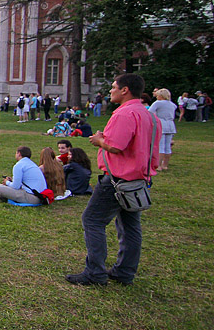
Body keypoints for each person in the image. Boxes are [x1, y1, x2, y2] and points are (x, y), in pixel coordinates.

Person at [66, 73, 161, 286]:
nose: (111, 91)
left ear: (125, 90)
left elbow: (117, 146)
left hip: (118, 179)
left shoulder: (125, 114)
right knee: (130, 226)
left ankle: (95, 272)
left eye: (114, 87)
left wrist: (99, 140)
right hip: (137, 180)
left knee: (92, 220)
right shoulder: (150, 116)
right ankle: (125, 272)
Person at [148, 88, 178, 171]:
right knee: (167, 146)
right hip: (171, 125)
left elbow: (149, 112)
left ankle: (158, 165)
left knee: (160, 145)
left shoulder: (158, 103)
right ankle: (165, 164)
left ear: (161, 96)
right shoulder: (172, 104)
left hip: (161, 124)